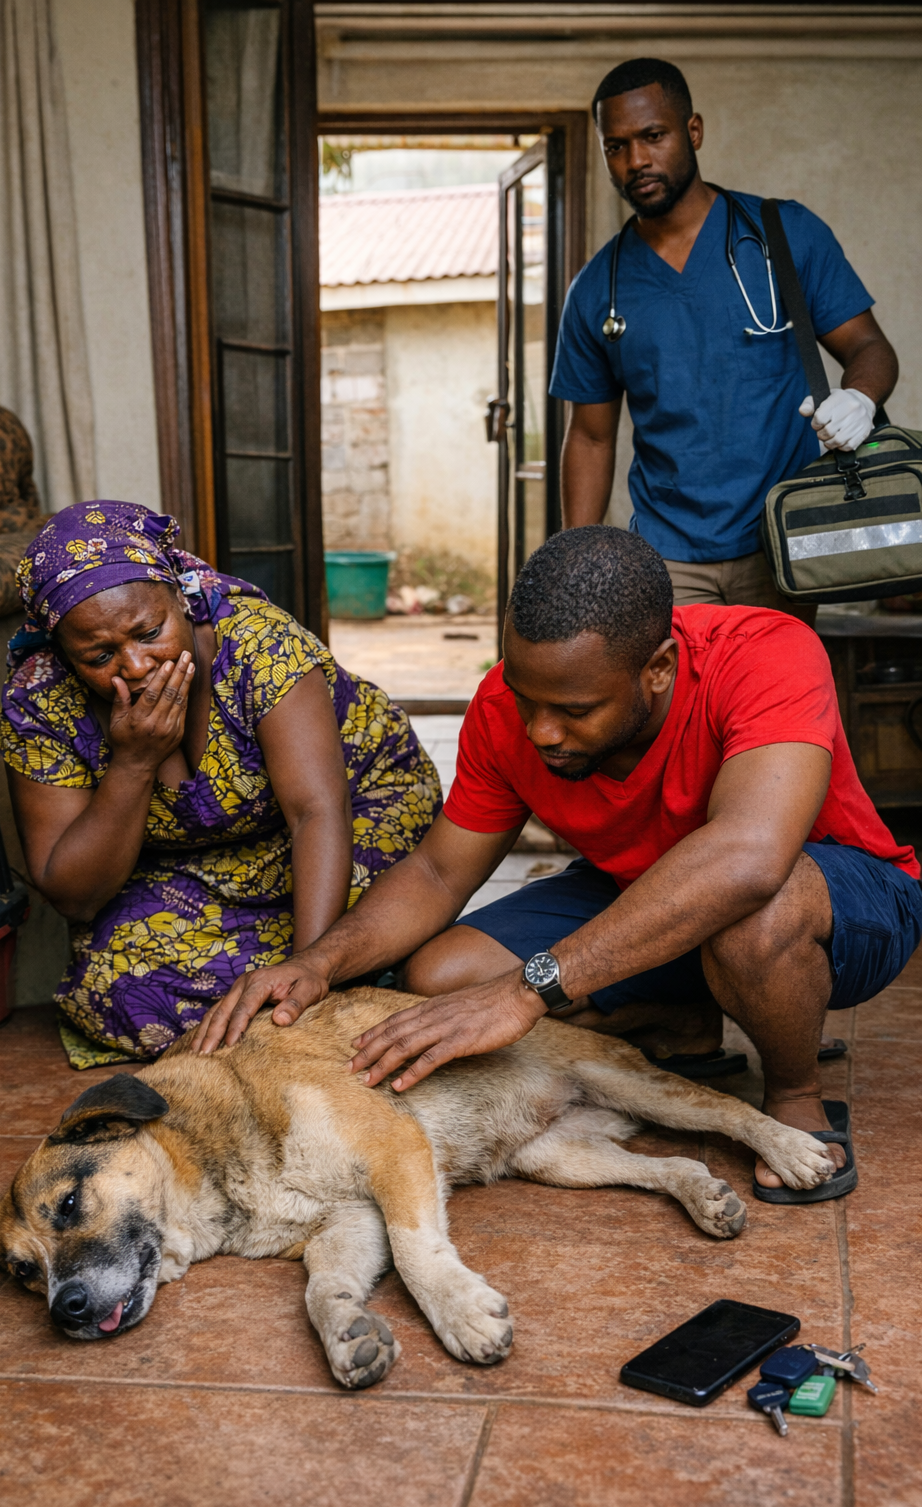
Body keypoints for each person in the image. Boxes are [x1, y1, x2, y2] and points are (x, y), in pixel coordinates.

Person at [190, 528, 921, 1201]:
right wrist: (321, 962)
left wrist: (527, 990)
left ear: (658, 668)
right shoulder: (506, 710)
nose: (541, 730)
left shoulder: (764, 652)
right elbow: (441, 873)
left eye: (575, 708)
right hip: (638, 889)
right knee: (438, 979)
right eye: (525, 696)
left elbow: (750, 858)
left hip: (837, 892)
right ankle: (688, 1009)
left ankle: (793, 1090)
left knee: (752, 918)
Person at [0, 502, 440, 1060]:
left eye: (149, 632)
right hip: (202, 860)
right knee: (116, 983)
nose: (135, 666)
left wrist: (304, 979)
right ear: (63, 653)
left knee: (370, 911)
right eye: (100, 655)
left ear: (181, 598)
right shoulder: (40, 699)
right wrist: (133, 764)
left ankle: (321, 994)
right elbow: (73, 896)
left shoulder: (258, 644)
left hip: (354, 805)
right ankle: (340, 993)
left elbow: (316, 811)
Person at [553, 58, 899, 619]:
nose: (636, 159)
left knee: (771, 703)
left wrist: (860, 397)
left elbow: (868, 346)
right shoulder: (598, 290)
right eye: (615, 146)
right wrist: (579, 562)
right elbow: (591, 438)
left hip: (782, 542)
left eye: (653, 136)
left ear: (694, 132)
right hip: (667, 558)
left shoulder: (783, 235)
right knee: (681, 703)